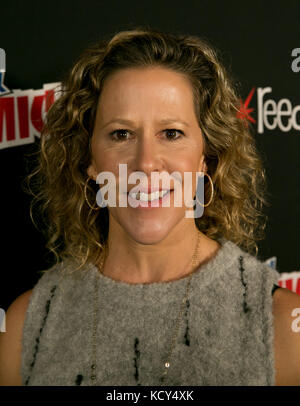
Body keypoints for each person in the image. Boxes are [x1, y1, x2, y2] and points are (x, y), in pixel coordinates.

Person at [0, 27, 300, 386]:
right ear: (89, 158)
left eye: (171, 133)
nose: (145, 163)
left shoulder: (283, 325)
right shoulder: (26, 325)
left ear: (205, 157)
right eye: (121, 134)